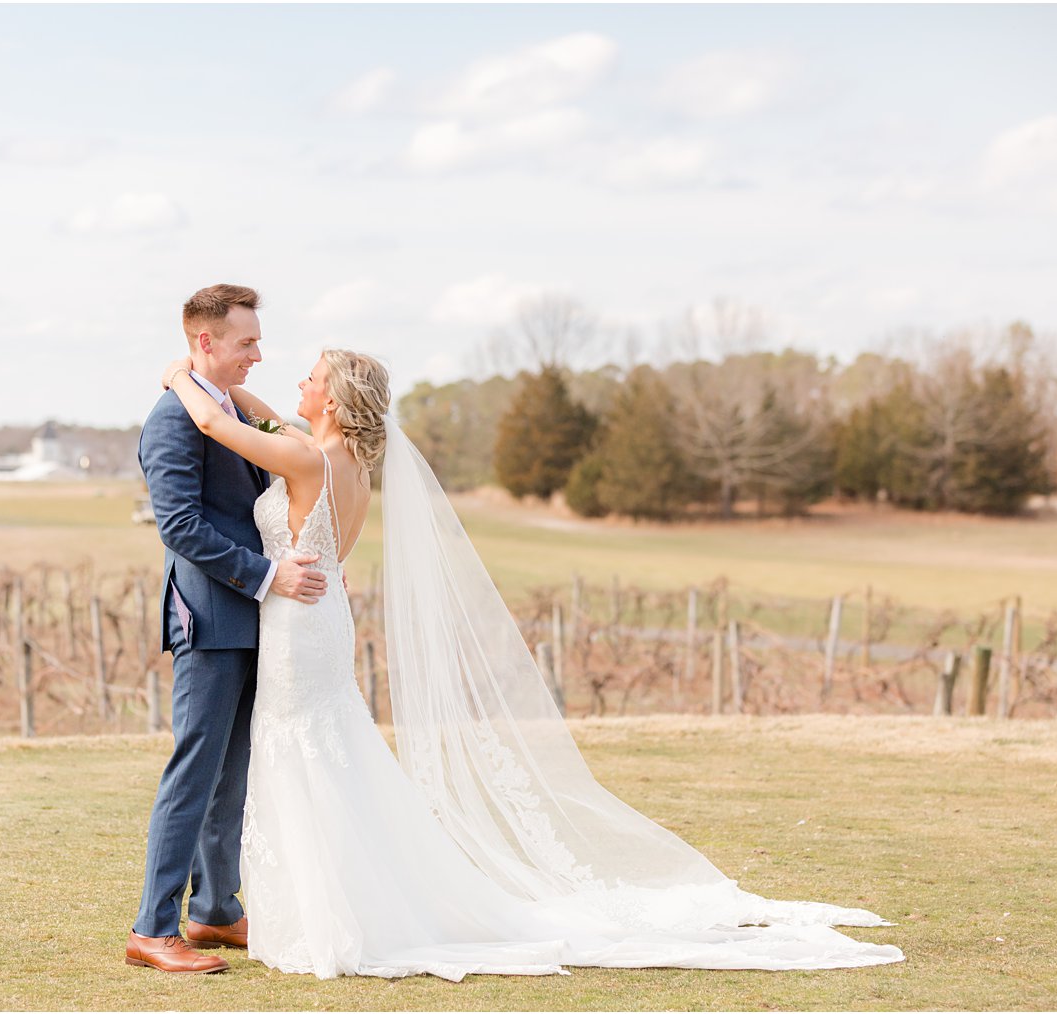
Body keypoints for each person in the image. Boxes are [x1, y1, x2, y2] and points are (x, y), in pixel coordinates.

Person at [149, 335, 906, 980]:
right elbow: (267, 424)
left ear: (336, 403)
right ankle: (304, 903)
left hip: (295, 623)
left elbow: (217, 420)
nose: (300, 382)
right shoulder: (346, 466)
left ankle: (322, 914)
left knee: (300, 754)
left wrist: (184, 373)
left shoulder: (304, 462)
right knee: (324, 751)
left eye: (313, 377)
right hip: (322, 619)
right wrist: (253, 401)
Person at [124, 285, 330, 975]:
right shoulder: (172, 421)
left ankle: (215, 908)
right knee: (195, 769)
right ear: (205, 341)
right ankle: (153, 927)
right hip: (210, 617)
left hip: (254, 619)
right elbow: (181, 527)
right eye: (246, 342)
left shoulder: (232, 410)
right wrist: (269, 576)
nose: (259, 354)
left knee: (231, 774)